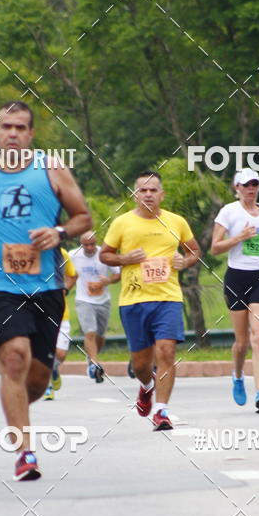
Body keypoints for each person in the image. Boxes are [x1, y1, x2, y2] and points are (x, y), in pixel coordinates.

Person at [0, 100, 91, 480]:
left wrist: (58, 232)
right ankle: (25, 454)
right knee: (14, 358)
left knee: (38, 379)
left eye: (20, 127)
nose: (12, 133)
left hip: (47, 286)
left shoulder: (52, 170)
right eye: (6, 126)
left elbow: (83, 218)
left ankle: (15, 412)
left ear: (31, 134)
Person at [99, 171, 200, 430]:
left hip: (168, 298)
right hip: (133, 301)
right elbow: (105, 255)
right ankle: (146, 385)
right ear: (135, 195)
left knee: (166, 351)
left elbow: (194, 251)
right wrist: (124, 259)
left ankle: (161, 411)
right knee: (141, 365)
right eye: (142, 190)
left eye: (153, 190)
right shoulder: (122, 223)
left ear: (161, 195)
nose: (148, 194)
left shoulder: (176, 222)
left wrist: (185, 260)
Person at [211, 168, 259, 413]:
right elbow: (215, 248)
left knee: (258, 336)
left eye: (254, 184)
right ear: (237, 188)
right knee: (241, 342)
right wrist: (239, 237)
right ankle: (238, 375)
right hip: (236, 277)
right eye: (246, 185)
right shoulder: (228, 212)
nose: (251, 189)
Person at [70, 231, 120, 383]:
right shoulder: (73, 255)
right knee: (90, 332)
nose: (89, 248)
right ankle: (94, 365)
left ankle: (91, 358)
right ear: (81, 244)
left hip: (103, 300)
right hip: (84, 299)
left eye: (92, 244)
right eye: (86, 245)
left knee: (100, 336)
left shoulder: (103, 255)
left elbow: (118, 274)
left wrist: (107, 281)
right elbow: (62, 271)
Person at [44, 247, 77, 399]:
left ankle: (54, 369)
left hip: (61, 312)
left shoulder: (62, 253)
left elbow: (72, 275)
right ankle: (48, 387)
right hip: (39, 312)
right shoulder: (30, 252)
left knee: (61, 354)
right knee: (45, 350)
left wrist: (65, 289)